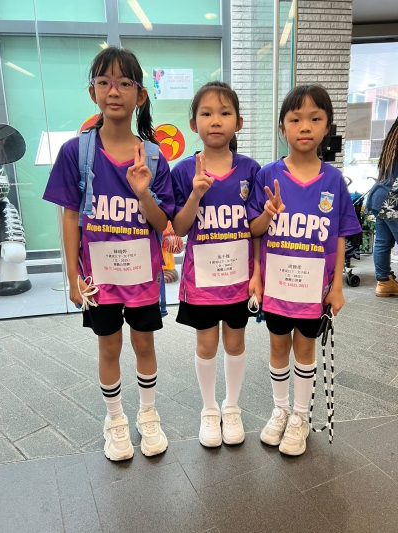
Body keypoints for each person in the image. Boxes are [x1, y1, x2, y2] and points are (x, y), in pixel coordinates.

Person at [43, 46, 175, 460]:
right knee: (108, 347)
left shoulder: (153, 156)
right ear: (93, 92)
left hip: (142, 278)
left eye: (124, 83)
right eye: (104, 82)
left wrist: (143, 192)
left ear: (140, 95)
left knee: (145, 345)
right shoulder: (76, 152)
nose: (113, 91)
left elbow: (162, 223)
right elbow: (70, 218)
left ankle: (148, 413)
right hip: (98, 279)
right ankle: (115, 419)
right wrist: (71, 277)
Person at [247, 85, 361, 456]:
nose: (305, 127)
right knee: (278, 344)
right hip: (278, 284)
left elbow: (340, 235)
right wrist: (258, 273)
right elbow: (254, 232)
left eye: (315, 118)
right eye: (296, 119)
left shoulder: (333, 181)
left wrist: (337, 286)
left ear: (327, 126)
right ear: (282, 127)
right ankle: (280, 410)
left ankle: (300, 417)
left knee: (305, 347)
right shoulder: (268, 175)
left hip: (314, 288)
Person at [171, 81, 262, 447]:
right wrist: (196, 193)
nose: (216, 121)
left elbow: (255, 229)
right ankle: (209, 409)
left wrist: (258, 273)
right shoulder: (183, 171)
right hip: (202, 282)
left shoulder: (251, 170)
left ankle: (232, 406)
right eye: (206, 113)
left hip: (239, 279)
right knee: (207, 344)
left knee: (236, 342)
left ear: (238, 122)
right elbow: (179, 228)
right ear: (194, 123)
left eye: (225, 113)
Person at [366, 116, 398, 297]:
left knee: (383, 242)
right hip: (394, 199)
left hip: (381, 195)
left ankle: (385, 282)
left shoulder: (392, 140)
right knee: (383, 242)